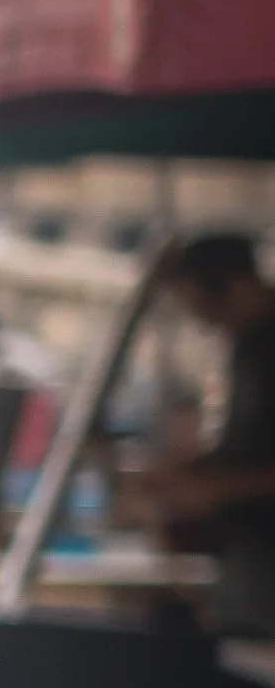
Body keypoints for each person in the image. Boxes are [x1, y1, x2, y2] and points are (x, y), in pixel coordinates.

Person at [128, 233, 275, 630]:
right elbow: (252, 448)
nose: (206, 324)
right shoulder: (247, 346)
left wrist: (212, 487)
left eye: (207, 310)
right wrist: (192, 471)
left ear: (237, 284)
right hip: (246, 560)